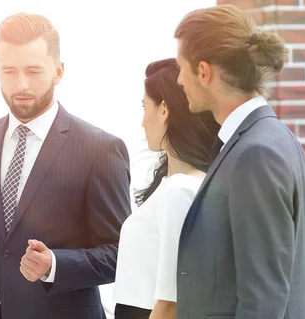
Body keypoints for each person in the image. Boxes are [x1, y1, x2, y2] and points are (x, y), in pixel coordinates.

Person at [0, 13, 131, 319]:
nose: (21, 84)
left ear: (58, 71)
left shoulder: (100, 149)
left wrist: (56, 266)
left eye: (34, 71)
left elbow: (120, 254)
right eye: (9, 71)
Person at [173, 4, 305, 318]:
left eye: (181, 68)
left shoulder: (256, 154)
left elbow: (264, 298)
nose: (178, 81)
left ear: (203, 71)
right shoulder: (274, 139)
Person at [112, 59, 220, 319]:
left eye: (144, 107)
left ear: (164, 110)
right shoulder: (176, 185)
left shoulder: (180, 191)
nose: (141, 122)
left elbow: (173, 300)